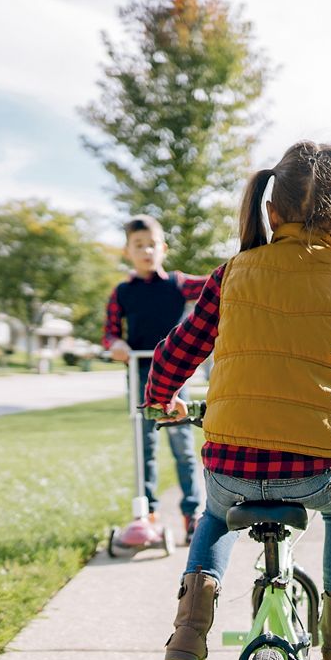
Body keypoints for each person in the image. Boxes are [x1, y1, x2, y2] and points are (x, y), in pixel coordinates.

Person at [144, 141, 331, 660]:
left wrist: (164, 399)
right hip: (314, 471)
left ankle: (187, 634)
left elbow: (176, 351)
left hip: (230, 463)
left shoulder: (231, 275)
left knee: (214, 515)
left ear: (270, 212)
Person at [104, 215, 208, 542]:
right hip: (139, 374)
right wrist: (115, 344)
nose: (146, 250)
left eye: (152, 244)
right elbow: (109, 333)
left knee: (183, 448)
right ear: (128, 252)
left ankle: (192, 513)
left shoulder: (178, 284)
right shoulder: (122, 292)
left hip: (175, 374)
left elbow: (213, 285)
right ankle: (146, 513)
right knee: (144, 446)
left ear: (162, 248)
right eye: (139, 245)